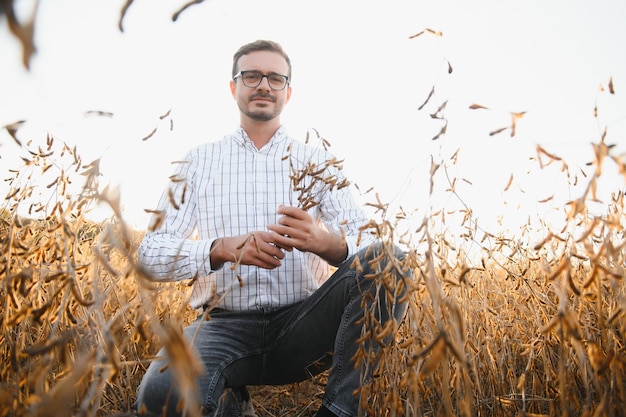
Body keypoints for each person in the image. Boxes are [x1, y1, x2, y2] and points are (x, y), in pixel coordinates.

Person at [135, 39, 409, 417]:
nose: (264, 85)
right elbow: (149, 255)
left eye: (275, 78)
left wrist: (325, 243)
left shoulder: (318, 161)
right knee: (162, 397)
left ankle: (340, 411)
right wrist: (219, 248)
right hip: (221, 326)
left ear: (288, 92)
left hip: (303, 324)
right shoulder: (198, 161)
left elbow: (374, 244)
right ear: (234, 87)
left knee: (393, 261)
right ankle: (230, 399)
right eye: (251, 76)